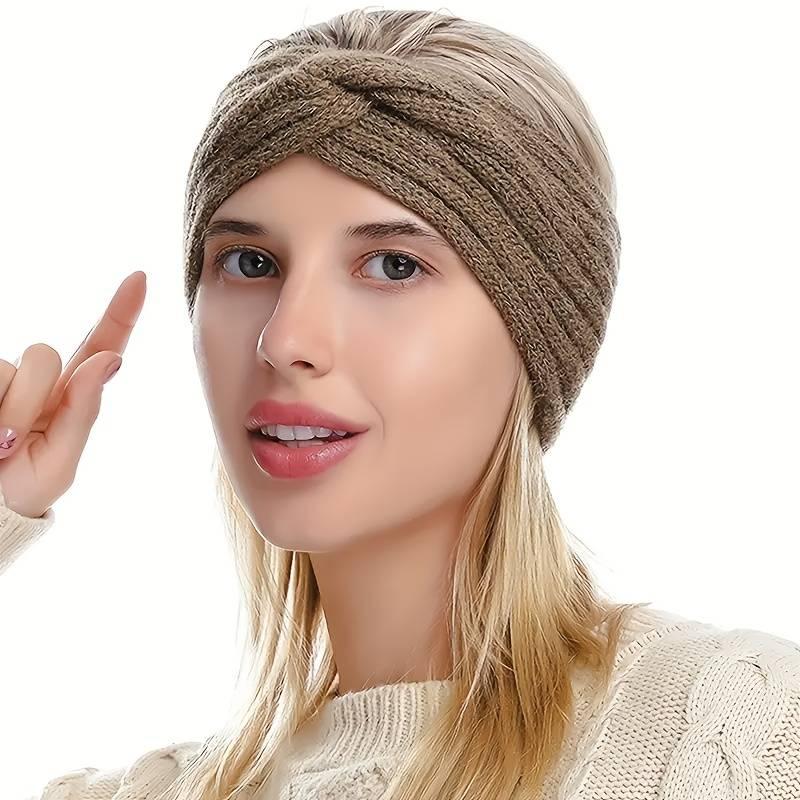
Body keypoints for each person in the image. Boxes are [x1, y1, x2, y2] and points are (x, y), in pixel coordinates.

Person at [2, 8, 798, 800]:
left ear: (538, 331)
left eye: (392, 266)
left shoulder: (741, 734)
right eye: (250, 262)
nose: (285, 339)